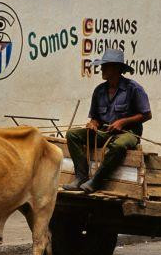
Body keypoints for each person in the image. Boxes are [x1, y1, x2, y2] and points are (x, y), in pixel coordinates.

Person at [63, 49, 152, 193]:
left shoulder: (133, 89)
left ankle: (96, 181)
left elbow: (147, 115)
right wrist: (93, 124)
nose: (101, 69)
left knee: (118, 145)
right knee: (72, 135)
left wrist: (122, 122)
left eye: (105, 66)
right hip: (104, 133)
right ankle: (81, 177)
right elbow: (95, 118)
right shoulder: (99, 90)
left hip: (128, 133)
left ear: (116, 68)